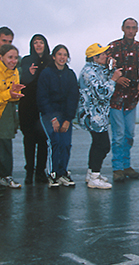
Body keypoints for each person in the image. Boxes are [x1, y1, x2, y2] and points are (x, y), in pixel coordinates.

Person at [107, 18, 139, 182]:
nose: (130, 31)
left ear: (137, 30)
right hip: (115, 98)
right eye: (128, 28)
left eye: (133, 28)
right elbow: (102, 69)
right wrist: (115, 79)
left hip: (132, 99)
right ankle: (117, 168)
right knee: (118, 135)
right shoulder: (112, 47)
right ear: (122, 29)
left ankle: (126, 165)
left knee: (129, 135)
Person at [78, 43, 123, 189]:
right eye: (102, 54)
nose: (105, 56)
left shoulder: (97, 69)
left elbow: (106, 79)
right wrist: (114, 78)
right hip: (92, 115)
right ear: (94, 58)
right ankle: (94, 177)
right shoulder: (88, 72)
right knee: (103, 145)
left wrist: (111, 70)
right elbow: (102, 93)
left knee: (97, 144)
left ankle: (92, 173)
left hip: (100, 115)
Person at [37, 44, 79, 188]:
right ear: (54, 56)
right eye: (59, 54)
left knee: (66, 143)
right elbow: (42, 98)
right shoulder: (46, 73)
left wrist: (68, 119)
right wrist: (53, 119)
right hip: (49, 114)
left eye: (65, 55)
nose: (62, 57)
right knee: (54, 141)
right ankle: (53, 173)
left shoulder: (70, 74)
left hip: (65, 114)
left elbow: (73, 98)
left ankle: (63, 173)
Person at [18, 34, 51, 184]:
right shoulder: (26, 60)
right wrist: (28, 74)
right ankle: (29, 170)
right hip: (27, 106)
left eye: (41, 42)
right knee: (29, 140)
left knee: (43, 141)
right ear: (32, 45)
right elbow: (20, 82)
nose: (38, 45)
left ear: (45, 45)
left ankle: (40, 171)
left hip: (43, 106)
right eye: (35, 43)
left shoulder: (50, 61)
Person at [0, 44, 25, 188]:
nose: (13, 61)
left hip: (6, 112)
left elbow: (14, 98)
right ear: (1, 57)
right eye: (10, 57)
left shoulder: (15, 72)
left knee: (5, 145)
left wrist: (14, 95)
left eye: (15, 58)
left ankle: (6, 176)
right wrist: (9, 94)